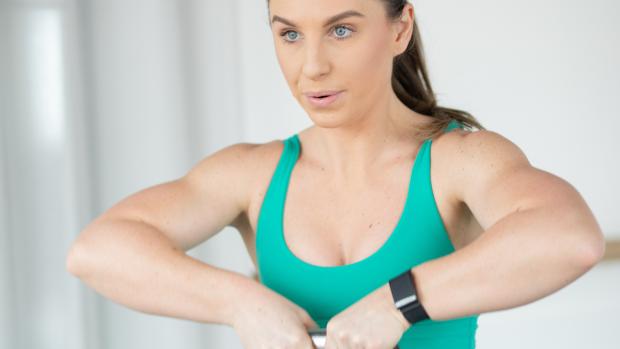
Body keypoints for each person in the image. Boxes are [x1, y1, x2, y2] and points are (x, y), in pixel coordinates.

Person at [66, 1, 606, 348]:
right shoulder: (252, 174)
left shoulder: (458, 160)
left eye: (341, 29)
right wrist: (242, 303)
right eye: (290, 35)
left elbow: (569, 238)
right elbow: (97, 251)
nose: (312, 66)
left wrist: (400, 302)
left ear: (400, 29)